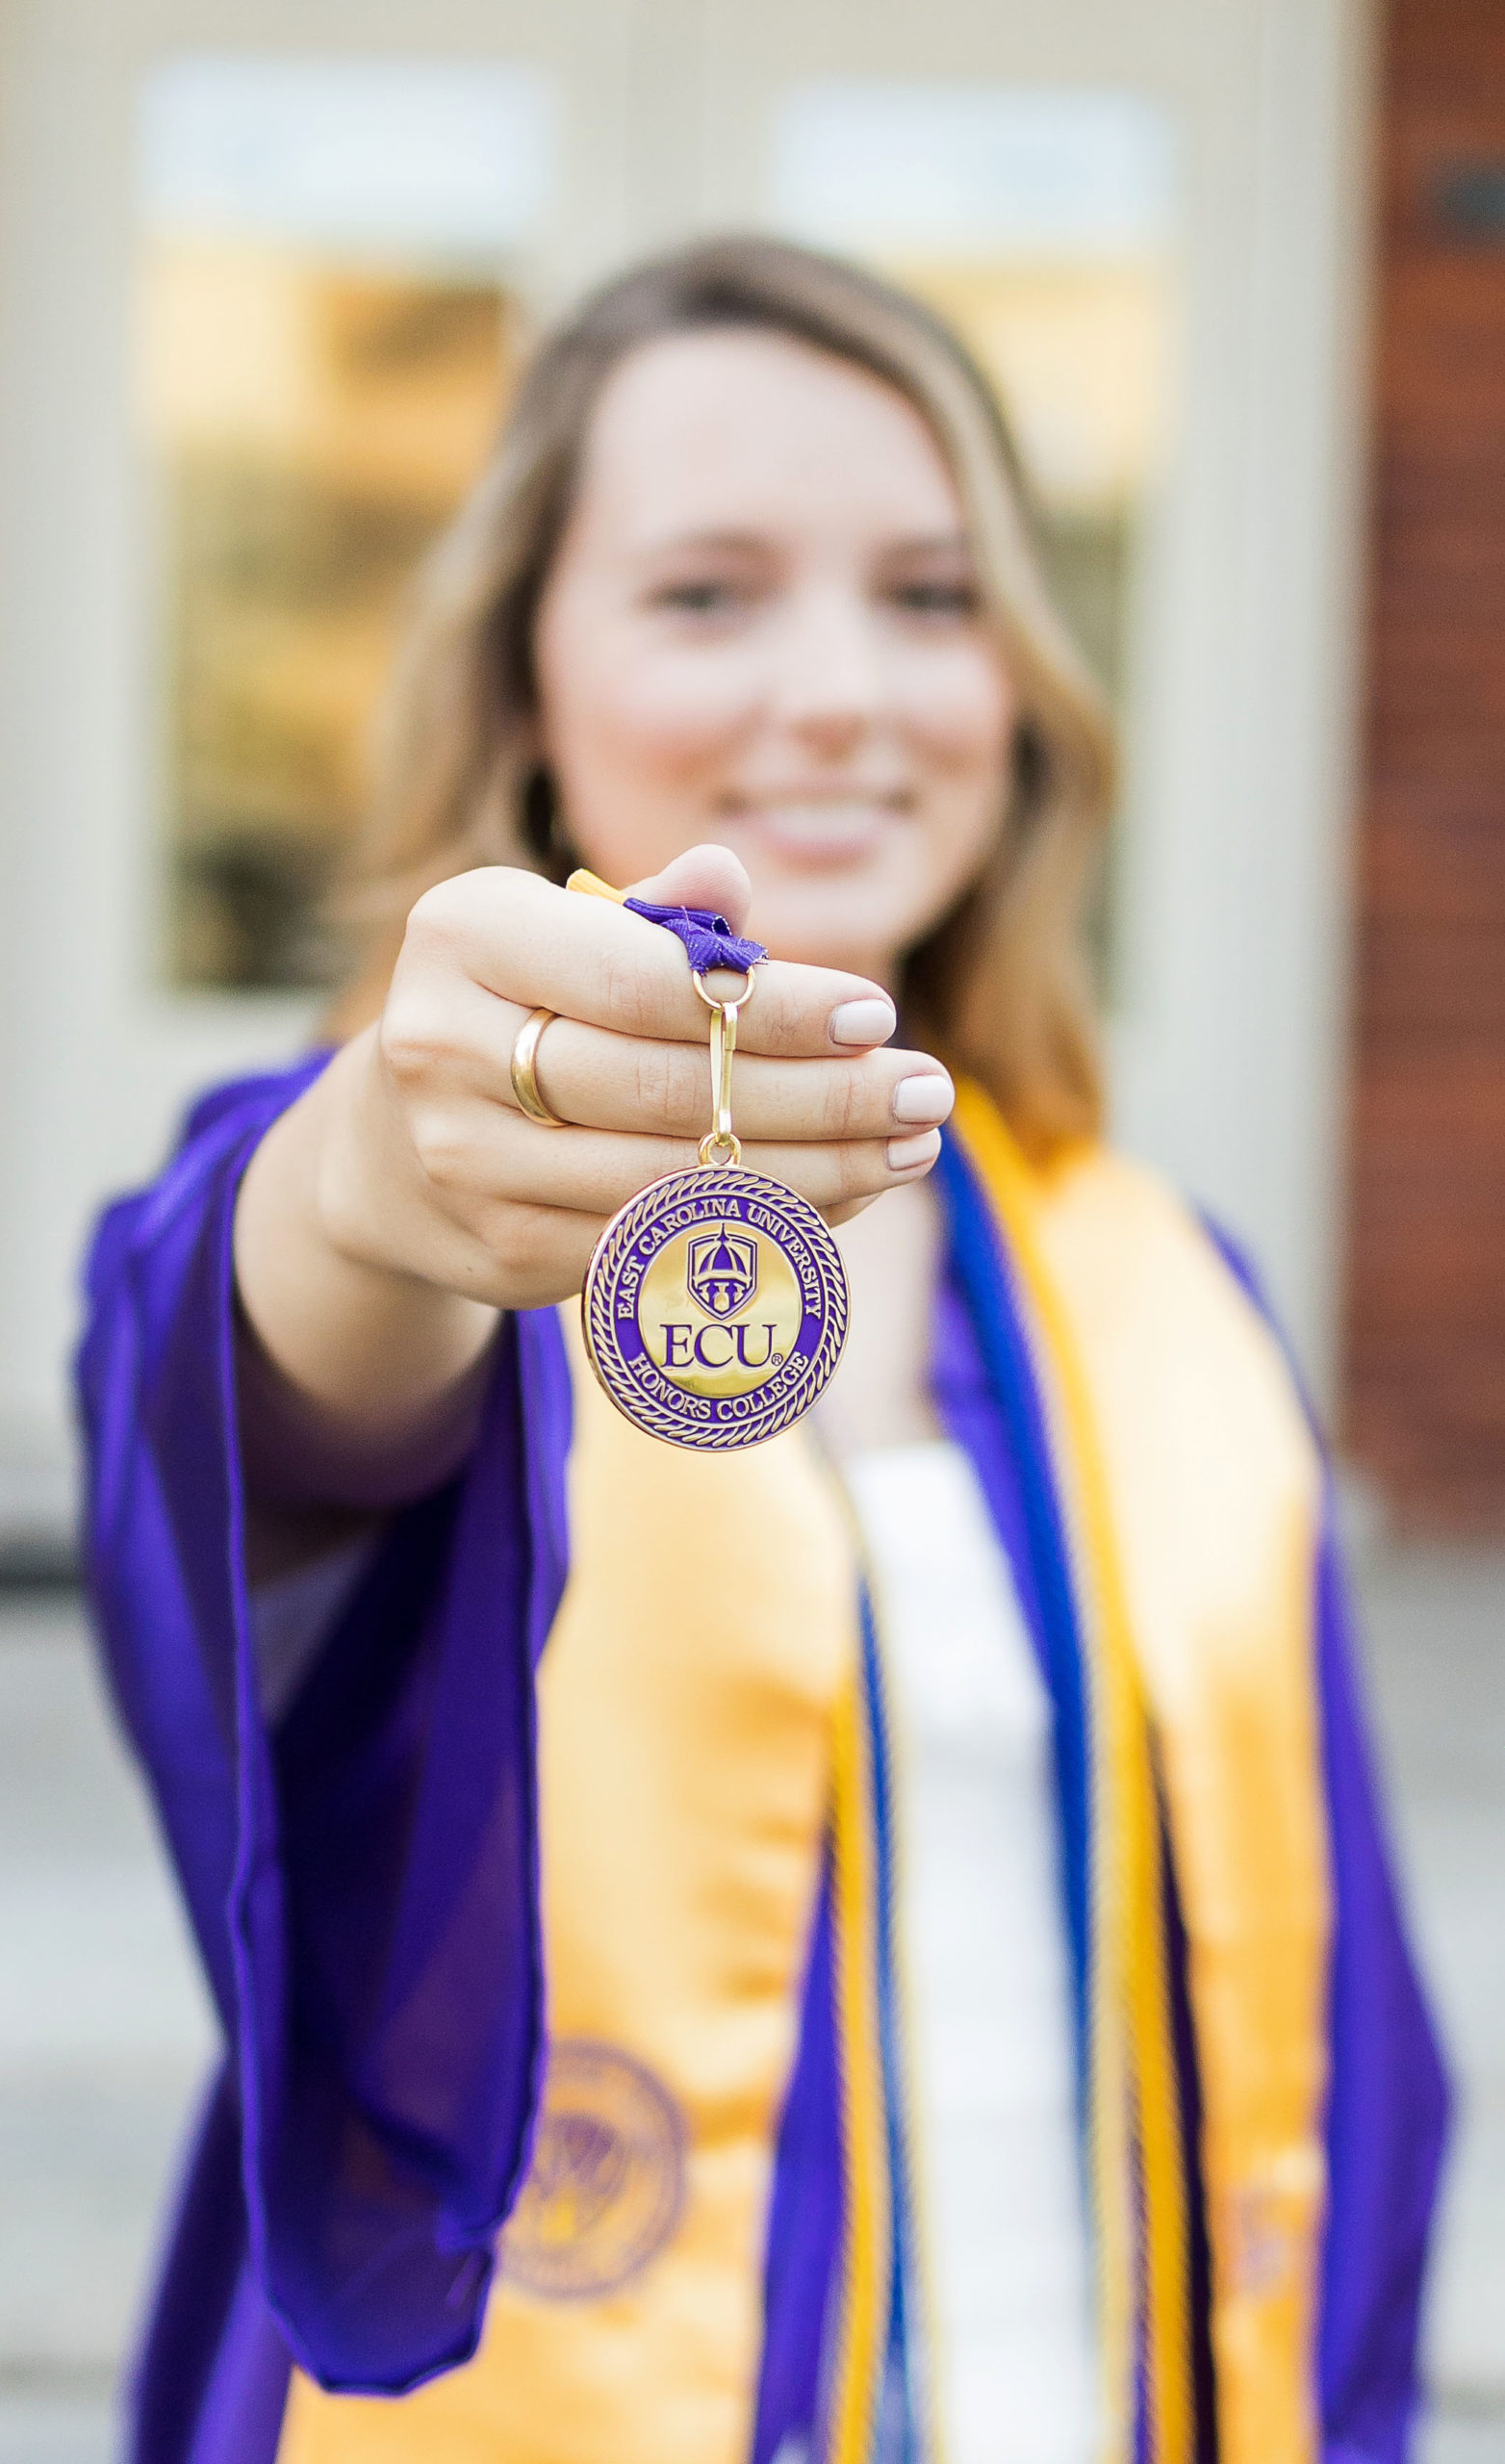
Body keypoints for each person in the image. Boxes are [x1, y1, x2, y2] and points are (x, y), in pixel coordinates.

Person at [78, 238, 1446, 2464]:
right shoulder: (406, 1189)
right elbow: (249, 1403)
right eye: (705, 594)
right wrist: (366, 1201)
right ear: (528, 678)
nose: (839, 692)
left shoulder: (1163, 1276)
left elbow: (1360, 2033)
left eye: (926, 594)